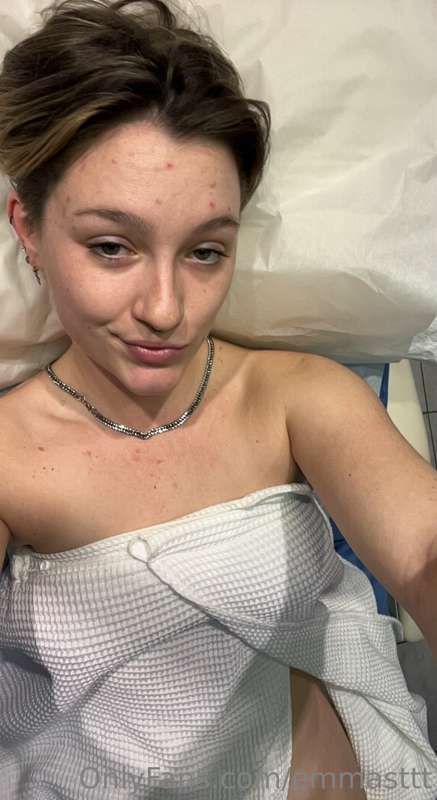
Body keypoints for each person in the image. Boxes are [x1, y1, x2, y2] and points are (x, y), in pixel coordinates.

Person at [0, 1, 436, 798]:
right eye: (111, 247)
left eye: (205, 252)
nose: (167, 310)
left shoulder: (293, 395)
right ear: (27, 227)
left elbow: (420, 551)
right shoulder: (7, 450)